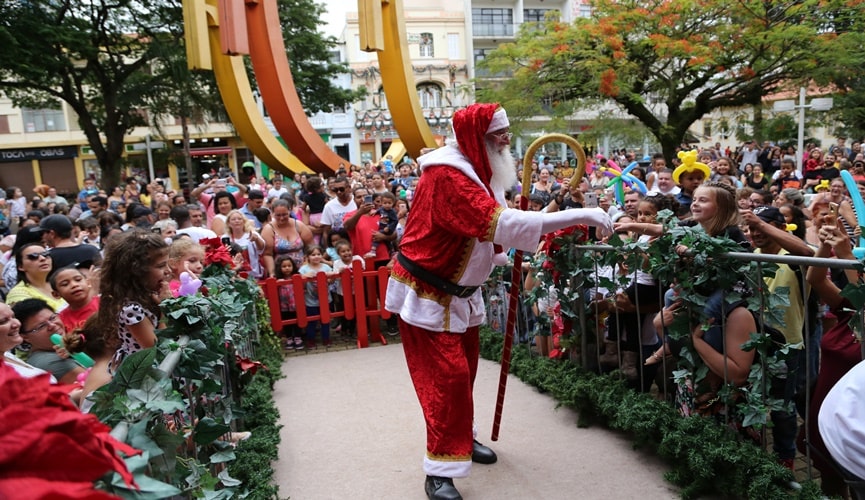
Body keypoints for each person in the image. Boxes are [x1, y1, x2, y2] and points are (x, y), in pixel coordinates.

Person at [383, 103, 612, 500]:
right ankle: (439, 469)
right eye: (498, 135)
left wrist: (500, 255)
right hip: (429, 292)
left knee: (465, 373)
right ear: (476, 137)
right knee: (446, 382)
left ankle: (461, 440)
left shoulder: (481, 169)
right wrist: (582, 214)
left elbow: (488, 233)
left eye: (506, 132)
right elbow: (498, 223)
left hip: (460, 292)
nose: (506, 140)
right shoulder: (447, 175)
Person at [801, 222, 864, 497]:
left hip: (856, 425)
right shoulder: (850, 311)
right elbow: (815, 279)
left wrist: (849, 257)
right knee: (831, 484)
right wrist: (825, 246)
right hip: (826, 411)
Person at [92, 230, 171, 374]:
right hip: (145, 376)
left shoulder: (148, 295)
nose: (168, 271)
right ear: (137, 271)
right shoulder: (130, 309)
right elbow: (156, 348)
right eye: (160, 266)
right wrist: (164, 307)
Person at [12, 298, 85, 385]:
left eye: (52, 318)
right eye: (41, 326)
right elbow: (99, 384)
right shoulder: (48, 362)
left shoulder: (67, 346)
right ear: (25, 337)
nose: (52, 325)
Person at [6, 243, 67, 311]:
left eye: (45, 254)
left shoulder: (58, 283)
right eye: (33, 257)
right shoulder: (18, 294)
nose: (42, 258)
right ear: (21, 267)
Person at [262, 199, 314, 276]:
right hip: (282, 273)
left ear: (290, 211)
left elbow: (311, 248)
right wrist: (272, 272)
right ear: (272, 214)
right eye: (278, 215)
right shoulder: (269, 229)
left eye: (284, 214)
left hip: (303, 270)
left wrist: (307, 264)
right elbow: (267, 254)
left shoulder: (299, 225)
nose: (281, 218)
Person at [298, 245, 333, 349]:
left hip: (325, 299)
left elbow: (331, 281)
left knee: (325, 320)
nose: (316, 257)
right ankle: (311, 340)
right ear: (307, 256)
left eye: (318, 254)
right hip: (310, 301)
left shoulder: (326, 267)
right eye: (313, 255)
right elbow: (299, 283)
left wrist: (330, 278)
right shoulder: (304, 269)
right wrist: (304, 277)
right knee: (311, 322)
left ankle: (326, 338)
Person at [51, 264, 100, 334]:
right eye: (65, 284)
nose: (74, 285)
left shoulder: (106, 302)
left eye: (78, 280)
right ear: (56, 294)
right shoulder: (60, 319)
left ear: (88, 282)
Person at [223, 209, 265, 277]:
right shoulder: (225, 238)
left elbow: (262, 249)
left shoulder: (251, 233)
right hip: (234, 275)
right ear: (229, 223)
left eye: (240, 219)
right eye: (233, 219)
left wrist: (256, 239)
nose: (237, 221)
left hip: (253, 274)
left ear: (244, 222)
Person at [319, 176, 357, 249]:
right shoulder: (329, 206)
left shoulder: (357, 201)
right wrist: (329, 251)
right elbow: (326, 231)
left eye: (341, 189)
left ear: (349, 188)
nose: (339, 192)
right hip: (339, 248)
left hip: (357, 242)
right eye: (335, 190)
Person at [274, 254, 301, 350]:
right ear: (279, 268)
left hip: (295, 304)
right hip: (284, 305)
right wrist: (277, 283)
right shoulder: (277, 279)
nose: (287, 268)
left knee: (298, 320)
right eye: (284, 266)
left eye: (289, 266)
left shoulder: (296, 277)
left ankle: (298, 337)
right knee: (287, 322)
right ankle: (289, 338)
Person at [365, 192, 398, 259]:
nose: (387, 205)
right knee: (387, 241)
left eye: (389, 203)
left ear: (393, 203)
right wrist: (375, 212)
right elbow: (379, 210)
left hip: (388, 228)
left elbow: (395, 221)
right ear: (382, 203)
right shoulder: (382, 209)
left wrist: (389, 227)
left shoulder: (392, 212)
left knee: (377, 237)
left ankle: (373, 250)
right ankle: (392, 252)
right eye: (385, 203)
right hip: (383, 226)